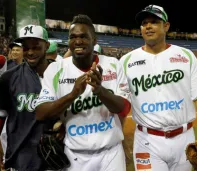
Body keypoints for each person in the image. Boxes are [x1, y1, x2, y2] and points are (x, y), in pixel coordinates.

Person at [120, 4, 197, 171]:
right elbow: (120, 104)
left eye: (154, 21)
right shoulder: (126, 61)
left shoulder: (186, 56)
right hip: (147, 141)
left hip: (185, 138)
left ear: (166, 26)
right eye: (144, 23)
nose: (148, 26)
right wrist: (119, 138)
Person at [35, 14, 131, 171]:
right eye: (73, 37)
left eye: (83, 37)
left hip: (111, 154)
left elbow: (124, 108)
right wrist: (72, 95)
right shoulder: (56, 69)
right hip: (75, 156)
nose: (78, 41)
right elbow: (40, 113)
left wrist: (100, 91)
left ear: (94, 40)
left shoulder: (113, 65)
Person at [0, 25, 52, 171]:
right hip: (21, 157)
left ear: (46, 46)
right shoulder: (9, 77)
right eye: (26, 48)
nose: (30, 52)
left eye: (36, 47)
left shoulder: (61, 73)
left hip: (54, 157)